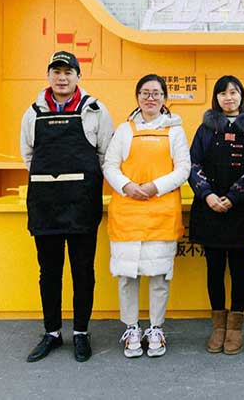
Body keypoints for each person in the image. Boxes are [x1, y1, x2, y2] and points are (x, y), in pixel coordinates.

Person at [20, 50, 114, 363]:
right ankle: (51, 332)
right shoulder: (33, 112)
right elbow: (28, 156)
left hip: (82, 204)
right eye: (56, 72)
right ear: (49, 76)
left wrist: (83, 183)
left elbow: (106, 154)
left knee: (82, 271)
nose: (62, 78)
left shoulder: (95, 110)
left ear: (78, 76)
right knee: (49, 272)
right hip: (45, 204)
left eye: (68, 72)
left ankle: (81, 332)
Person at [103, 74, 190, 359]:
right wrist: (127, 186)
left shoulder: (175, 131)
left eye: (156, 93)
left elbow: (183, 169)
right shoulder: (124, 130)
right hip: (127, 212)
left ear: (164, 98)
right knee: (127, 276)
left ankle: (155, 328)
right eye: (145, 93)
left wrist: (155, 187)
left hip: (161, 212)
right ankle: (131, 328)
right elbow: (110, 165)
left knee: (159, 276)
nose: (150, 98)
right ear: (137, 97)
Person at [188, 75, 244, 355]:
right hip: (209, 208)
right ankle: (218, 327)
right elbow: (192, 164)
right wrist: (207, 194)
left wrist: (233, 197)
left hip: (240, 209)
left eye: (233, 92)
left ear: (241, 96)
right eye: (223, 93)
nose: (228, 97)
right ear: (216, 98)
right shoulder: (206, 128)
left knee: (239, 269)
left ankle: (235, 328)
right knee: (214, 268)